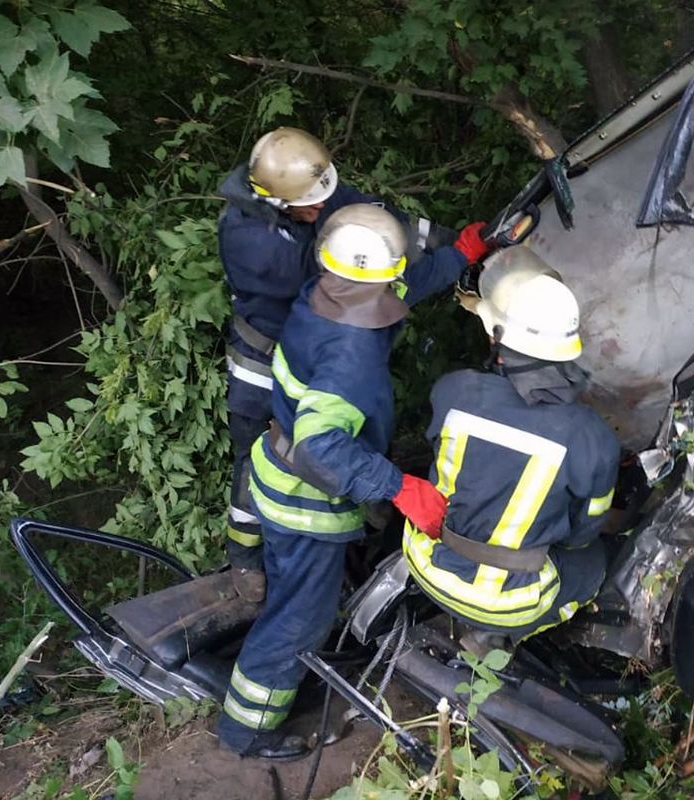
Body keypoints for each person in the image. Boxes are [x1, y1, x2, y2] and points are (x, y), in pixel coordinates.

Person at [216, 203, 490, 760]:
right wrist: (399, 487)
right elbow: (322, 448)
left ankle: (270, 681)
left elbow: (398, 287)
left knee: (294, 595)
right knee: (299, 618)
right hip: (306, 502)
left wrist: (457, 256)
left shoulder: (325, 289)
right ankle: (247, 729)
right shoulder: (352, 354)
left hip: (274, 468)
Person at [218, 126, 453, 600]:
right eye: (310, 207)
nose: (321, 209)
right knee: (262, 454)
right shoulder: (254, 242)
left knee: (345, 430)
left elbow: (365, 216)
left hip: (311, 345)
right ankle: (243, 557)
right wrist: (422, 268)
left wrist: (439, 241)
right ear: (276, 201)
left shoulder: (307, 188)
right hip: (265, 357)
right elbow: (350, 276)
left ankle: (361, 501)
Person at [403, 249, 621, 642]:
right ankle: (499, 638)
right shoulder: (592, 437)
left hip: (427, 565)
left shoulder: (454, 391)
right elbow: (583, 534)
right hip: (506, 603)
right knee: (593, 562)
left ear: (497, 335)